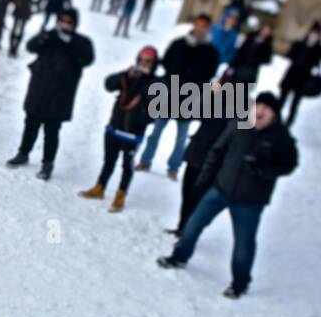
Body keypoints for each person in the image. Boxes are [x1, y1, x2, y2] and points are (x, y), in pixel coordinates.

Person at [157, 92, 299, 298]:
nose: (260, 112)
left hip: (249, 201)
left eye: (266, 109)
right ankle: (179, 257)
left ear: (274, 115)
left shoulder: (280, 137)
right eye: (258, 107)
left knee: (244, 243)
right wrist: (205, 180)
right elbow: (217, 150)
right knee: (193, 224)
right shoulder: (240, 124)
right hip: (220, 189)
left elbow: (288, 165)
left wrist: (263, 169)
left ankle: (239, 284)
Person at [5, 6, 95, 180]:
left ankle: (48, 163)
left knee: (52, 131)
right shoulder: (49, 36)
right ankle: (23, 153)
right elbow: (30, 47)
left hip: (60, 95)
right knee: (30, 124)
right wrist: (45, 37)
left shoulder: (82, 42)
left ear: (75, 24)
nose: (65, 24)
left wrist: (71, 42)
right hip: (39, 89)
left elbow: (88, 59)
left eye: (69, 22)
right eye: (63, 20)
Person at [137, 14, 220, 179]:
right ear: (194, 25)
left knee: (181, 138)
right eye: (199, 24)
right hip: (170, 94)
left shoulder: (211, 52)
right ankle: (145, 161)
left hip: (190, 98)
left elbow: (210, 74)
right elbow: (167, 62)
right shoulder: (178, 44)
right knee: (155, 132)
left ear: (208, 28)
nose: (201, 28)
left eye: (205, 26)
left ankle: (174, 167)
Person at [78, 47, 160, 212]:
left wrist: (138, 114)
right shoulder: (128, 75)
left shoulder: (156, 83)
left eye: (148, 61)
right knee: (108, 160)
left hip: (133, 133)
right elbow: (108, 84)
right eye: (142, 60)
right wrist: (126, 76)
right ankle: (100, 187)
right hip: (114, 127)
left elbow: (155, 111)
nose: (144, 64)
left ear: (154, 64)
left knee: (126, 166)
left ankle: (120, 195)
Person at [278, 23, 321, 127]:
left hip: (303, 79)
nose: (314, 35)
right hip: (291, 75)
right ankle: (275, 119)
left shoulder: (319, 49)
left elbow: (316, 63)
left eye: (316, 33)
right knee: (281, 100)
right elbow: (290, 54)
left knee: (295, 104)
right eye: (313, 32)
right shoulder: (299, 43)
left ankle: (288, 124)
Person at [221, 21, 273, 87]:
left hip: (250, 71)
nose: (265, 32)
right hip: (239, 65)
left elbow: (267, 59)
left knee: (242, 91)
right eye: (264, 29)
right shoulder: (251, 36)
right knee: (228, 84)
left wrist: (256, 59)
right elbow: (241, 51)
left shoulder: (268, 45)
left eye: (267, 31)